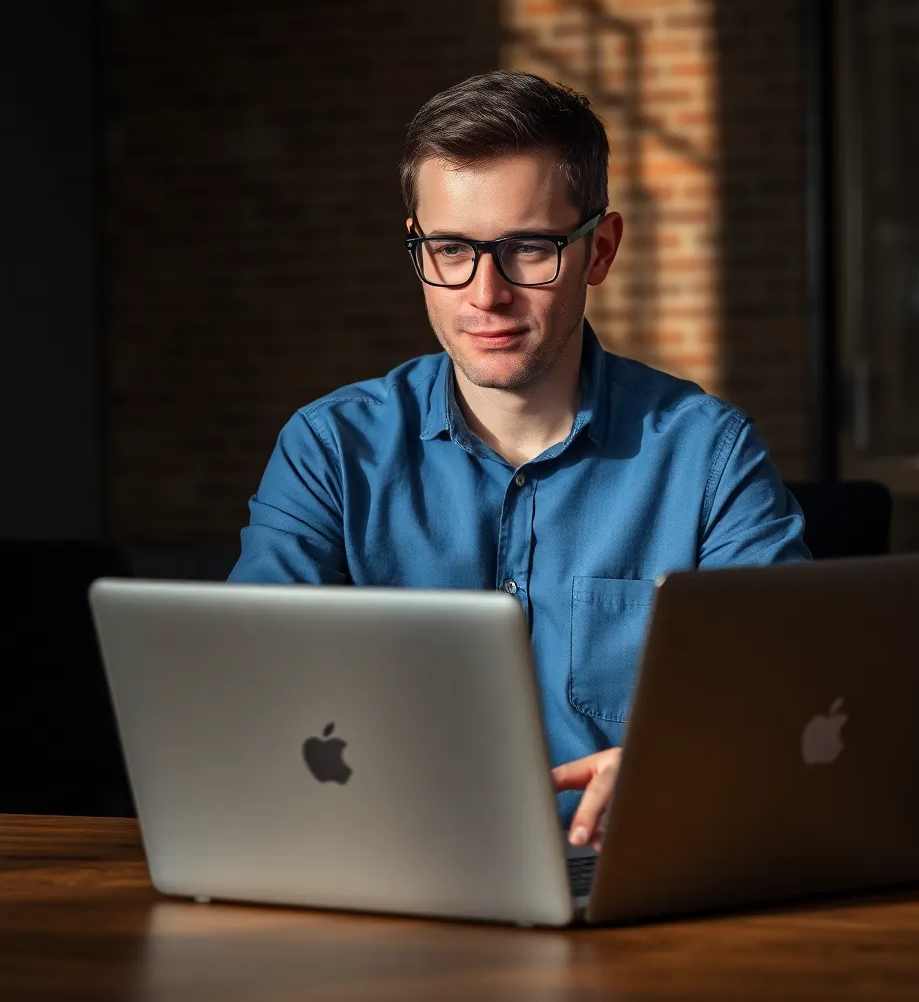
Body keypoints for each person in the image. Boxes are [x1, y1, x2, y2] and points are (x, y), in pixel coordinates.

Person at [229, 70, 810, 848]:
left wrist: (679, 766)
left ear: (601, 249)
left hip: (627, 869)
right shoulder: (330, 449)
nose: (486, 294)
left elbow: (787, 700)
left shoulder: (710, 455)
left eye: (529, 248)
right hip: (389, 866)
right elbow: (248, 691)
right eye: (450, 250)